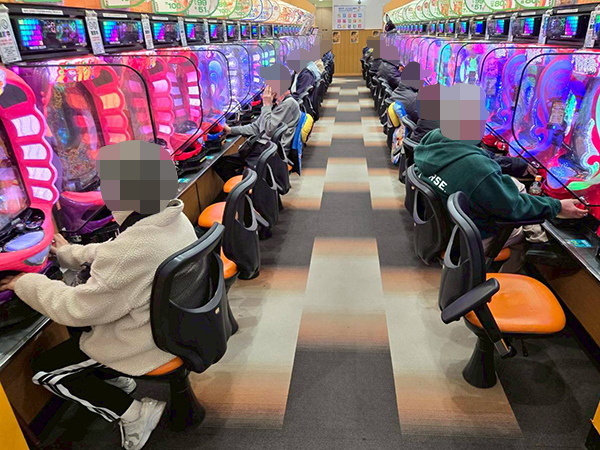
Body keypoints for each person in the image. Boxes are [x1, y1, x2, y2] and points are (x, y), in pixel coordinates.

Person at [0, 141, 198, 450]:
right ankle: (116, 379)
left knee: (46, 371)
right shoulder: (172, 216)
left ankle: (134, 414)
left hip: (143, 341)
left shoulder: (130, 250)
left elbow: (73, 309)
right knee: (81, 329)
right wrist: (69, 253)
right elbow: (117, 251)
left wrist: (24, 283)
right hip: (178, 323)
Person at [413, 83, 587, 272]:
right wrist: (558, 206)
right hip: (469, 237)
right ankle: (504, 279)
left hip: (447, 225)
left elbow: (482, 157)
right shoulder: (477, 169)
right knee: (522, 230)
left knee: (515, 185)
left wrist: (517, 165)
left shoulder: (435, 139)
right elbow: (515, 207)